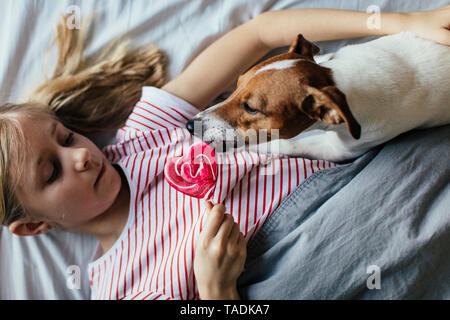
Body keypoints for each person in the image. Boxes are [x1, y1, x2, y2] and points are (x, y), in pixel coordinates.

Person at [1, 6, 449, 300]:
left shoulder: (145, 136)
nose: (78, 156)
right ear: (35, 224)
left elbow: (257, 35)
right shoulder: (117, 287)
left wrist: (403, 23)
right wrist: (217, 289)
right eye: (52, 173)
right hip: (287, 269)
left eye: (65, 138)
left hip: (348, 181)